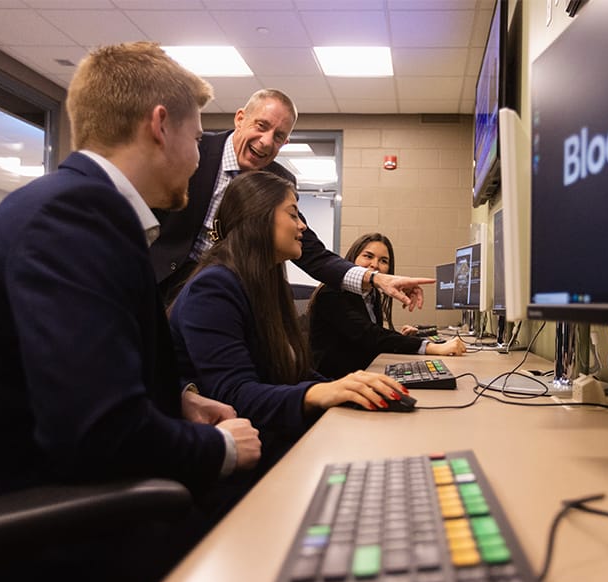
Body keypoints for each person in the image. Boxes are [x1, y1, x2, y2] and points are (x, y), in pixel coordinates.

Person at [0, 42, 261, 582]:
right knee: (272, 521)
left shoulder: (70, 206)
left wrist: (174, 400)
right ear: (159, 126)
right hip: (40, 531)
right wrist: (223, 447)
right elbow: (100, 434)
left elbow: (70, 383)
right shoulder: (77, 217)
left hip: (48, 492)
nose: (197, 157)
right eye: (196, 138)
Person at [168, 172, 410, 467]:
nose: (302, 226)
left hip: (269, 434)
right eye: (294, 214)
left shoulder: (266, 284)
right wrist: (324, 392)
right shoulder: (214, 288)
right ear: (259, 218)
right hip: (236, 453)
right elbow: (235, 394)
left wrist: (346, 388)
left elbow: (294, 372)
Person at [149, 87, 433, 309]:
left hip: (227, 296)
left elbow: (312, 253)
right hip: (157, 287)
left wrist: (376, 278)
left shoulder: (279, 181)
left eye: (279, 136)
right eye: (261, 126)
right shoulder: (193, 149)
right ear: (240, 119)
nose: (266, 142)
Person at [309, 233, 467, 379]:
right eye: (368, 256)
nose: (375, 265)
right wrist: (432, 348)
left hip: (360, 373)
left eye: (383, 261)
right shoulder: (331, 292)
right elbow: (369, 335)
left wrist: (403, 340)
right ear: (352, 259)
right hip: (334, 381)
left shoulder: (372, 294)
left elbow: (369, 339)